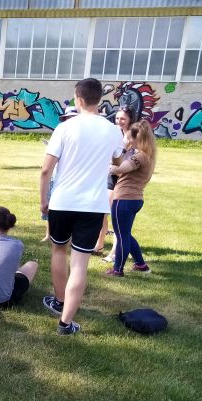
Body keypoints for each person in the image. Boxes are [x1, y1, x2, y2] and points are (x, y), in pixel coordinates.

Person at [40, 78, 124, 335]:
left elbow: (46, 170)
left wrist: (43, 201)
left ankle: (60, 301)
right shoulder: (113, 130)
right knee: (80, 264)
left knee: (58, 251)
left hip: (63, 201)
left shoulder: (65, 127)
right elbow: (118, 160)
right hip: (93, 205)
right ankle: (65, 323)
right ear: (100, 99)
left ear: (78, 98)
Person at [105, 120, 156, 277]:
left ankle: (117, 269)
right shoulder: (148, 155)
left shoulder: (139, 156)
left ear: (136, 138)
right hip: (135, 199)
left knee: (121, 236)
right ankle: (141, 265)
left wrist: (121, 152)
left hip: (124, 199)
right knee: (125, 233)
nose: (127, 140)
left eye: (129, 137)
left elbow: (118, 169)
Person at [100, 107, 136, 262]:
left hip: (124, 177)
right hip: (111, 174)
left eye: (123, 119)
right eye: (117, 118)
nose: (119, 121)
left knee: (117, 216)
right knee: (103, 211)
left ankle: (114, 252)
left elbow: (135, 158)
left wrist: (124, 149)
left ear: (130, 120)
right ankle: (99, 244)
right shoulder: (114, 133)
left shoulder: (134, 136)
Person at [41, 106, 78, 242]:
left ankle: (70, 235)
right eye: (68, 118)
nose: (70, 120)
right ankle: (48, 234)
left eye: (73, 118)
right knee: (50, 205)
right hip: (55, 175)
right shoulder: (60, 132)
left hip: (71, 178)